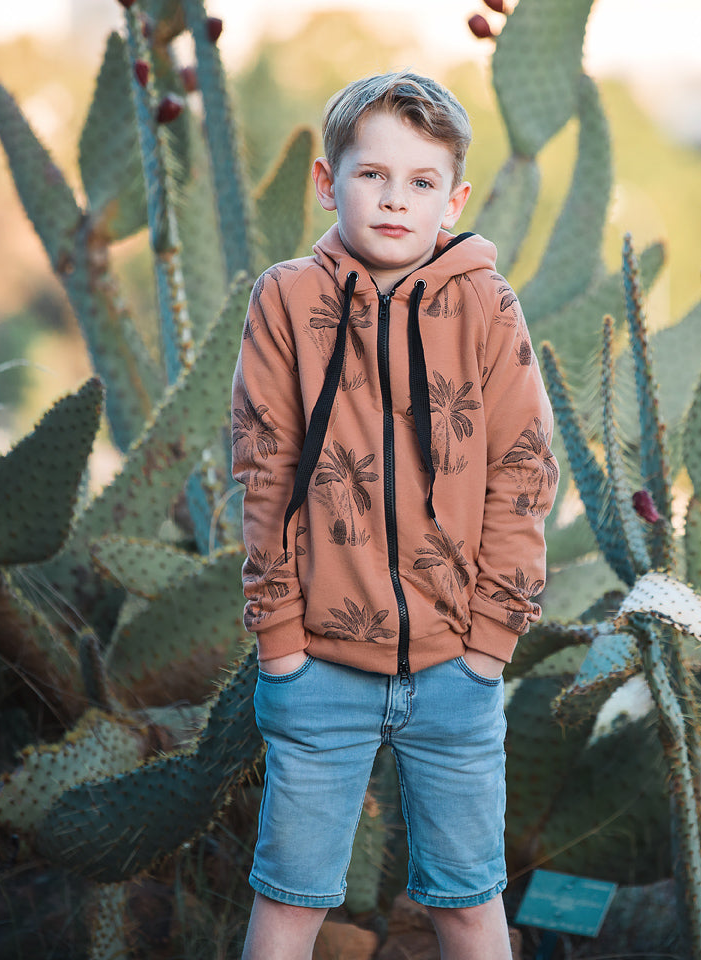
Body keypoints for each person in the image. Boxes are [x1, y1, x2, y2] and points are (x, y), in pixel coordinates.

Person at [231, 69, 559, 960]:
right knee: (290, 902)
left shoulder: (488, 306)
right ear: (327, 181)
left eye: (421, 183)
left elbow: (524, 473)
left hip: (457, 667)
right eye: (372, 174)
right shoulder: (287, 301)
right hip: (319, 672)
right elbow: (264, 472)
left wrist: (492, 643)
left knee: (467, 903)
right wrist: (281, 645)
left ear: (452, 200)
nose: (394, 200)